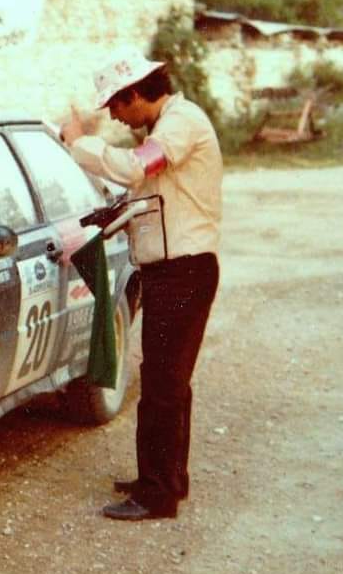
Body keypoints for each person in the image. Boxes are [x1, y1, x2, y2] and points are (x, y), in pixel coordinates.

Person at [61, 47, 223, 522]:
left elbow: (135, 169)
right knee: (167, 382)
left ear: (134, 94)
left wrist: (80, 144)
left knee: (162, 386)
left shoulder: (181, 124)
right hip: (174, 271)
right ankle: (167, 479)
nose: (114, 115)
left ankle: (157, 495)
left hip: (184, 271)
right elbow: (146, 198)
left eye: (115, 104)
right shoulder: (169, 125)